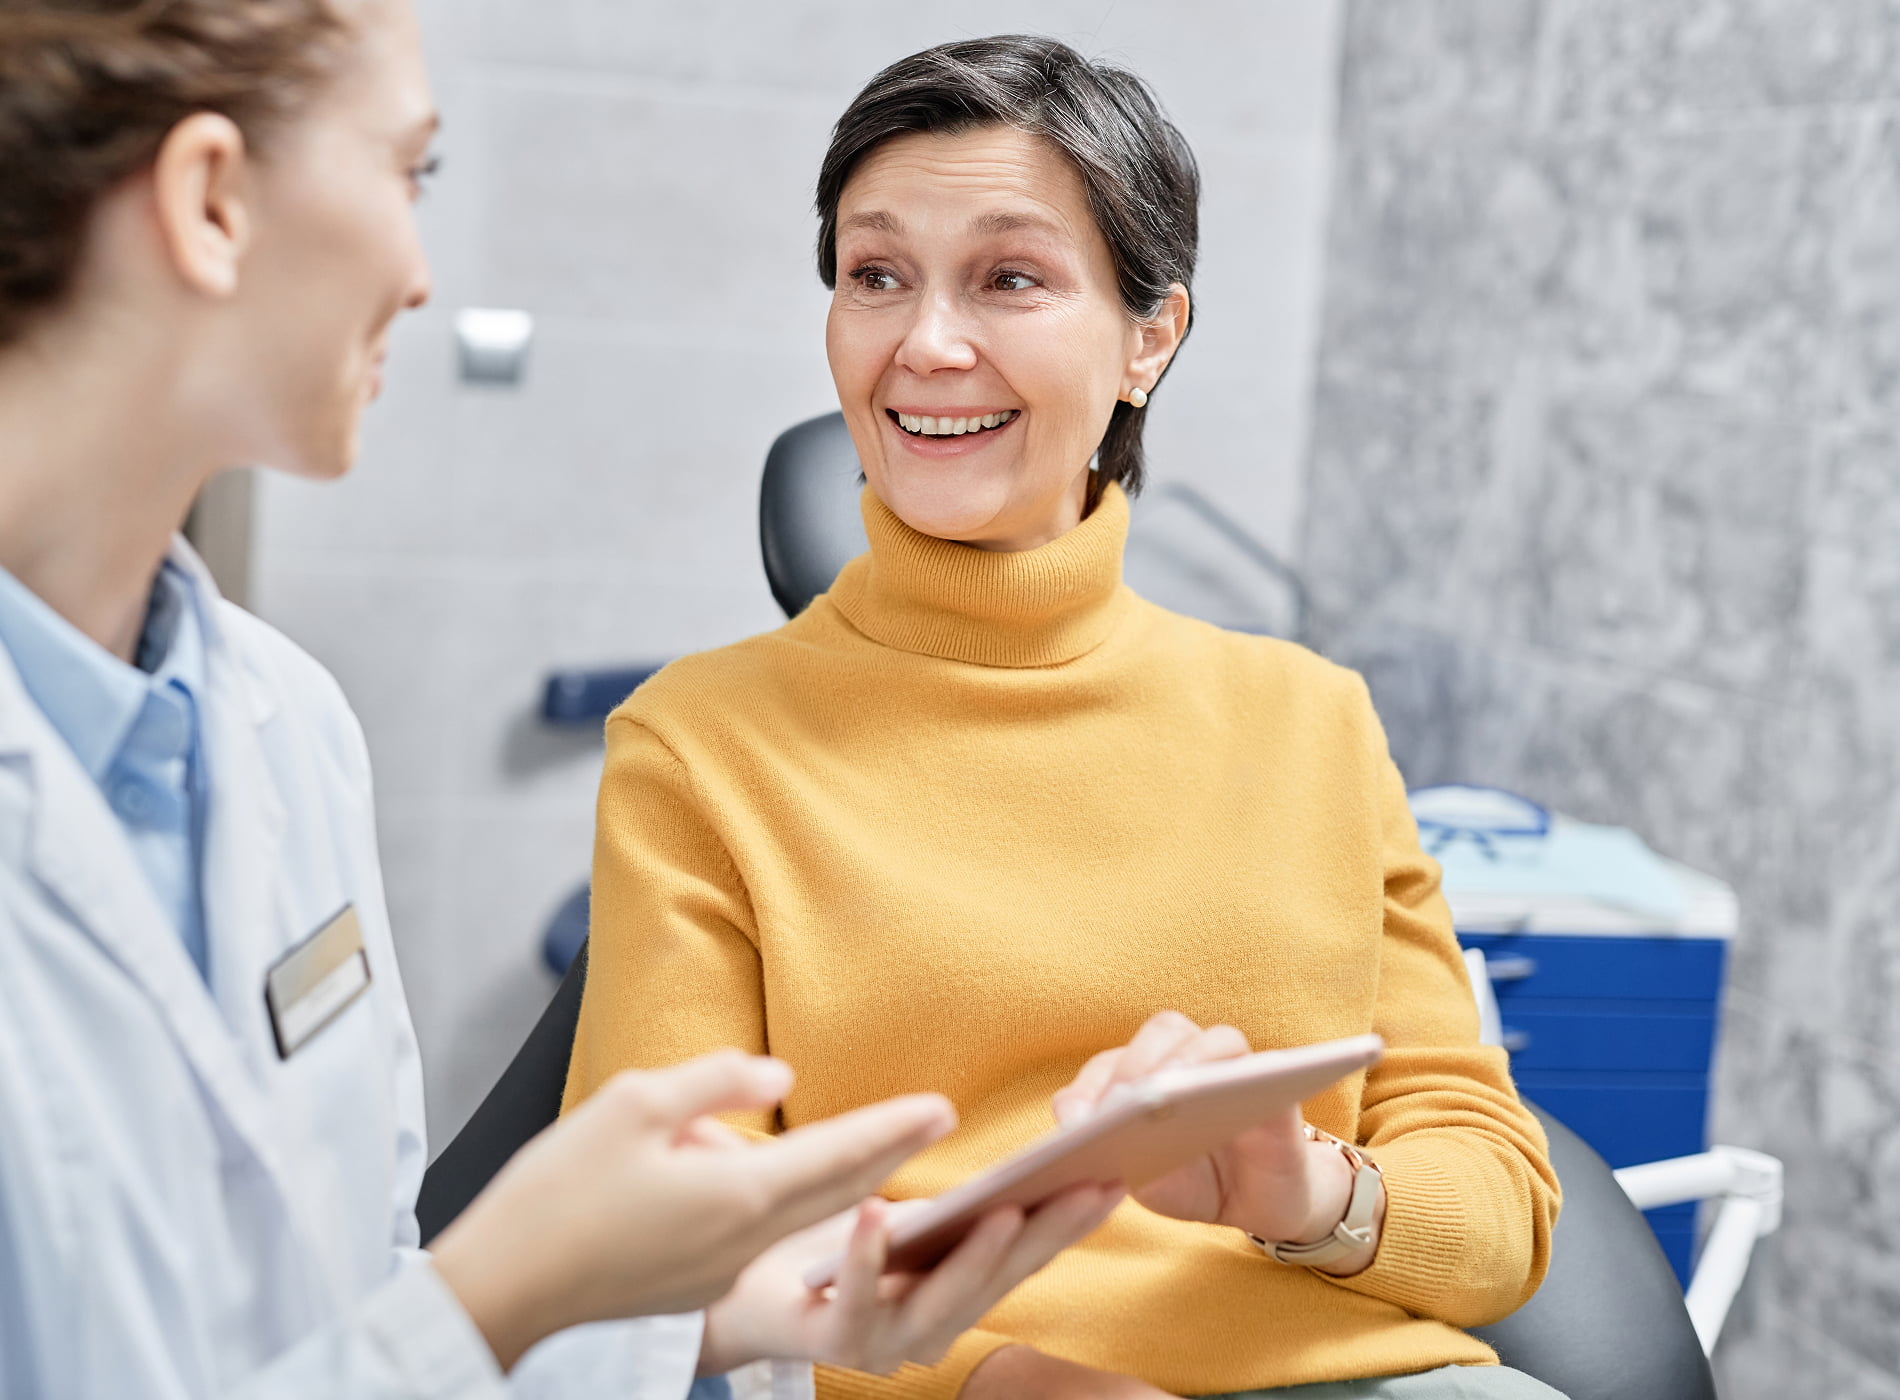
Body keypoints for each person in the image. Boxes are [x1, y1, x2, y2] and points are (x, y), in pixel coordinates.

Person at [0, 4, 1123, 1398]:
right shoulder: (703, 743)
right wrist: (510, 1286)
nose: (420, 274)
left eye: (1010, 280)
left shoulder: (284, 725)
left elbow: (350, 1308)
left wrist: (725, 1319)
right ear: (213, 201)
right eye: (410, 175)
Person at [565, 34, 1565, 1400]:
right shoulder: (701, 747)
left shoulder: (1309, 721)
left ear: (1151, 336)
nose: (925, 343)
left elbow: (1499, 1205)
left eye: (1010, 277)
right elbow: (661, 1256)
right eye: (876, 276)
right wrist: (994, 1377)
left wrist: (1311, 1192)